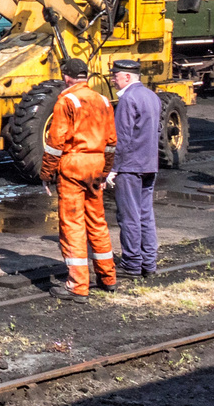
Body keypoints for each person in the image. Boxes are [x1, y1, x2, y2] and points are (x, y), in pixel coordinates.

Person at [40, 58, 118, 302]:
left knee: (72, 224)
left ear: (66, 76)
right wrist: (104, 172)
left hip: (74, 166)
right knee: (97, 221)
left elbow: (55, 143)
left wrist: (46, 173)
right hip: (96, 167)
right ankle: (108, 278)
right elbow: (111, 142)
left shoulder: (67, 101)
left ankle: (77, 286)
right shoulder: (104, 100)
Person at [105, 59, 160, 277]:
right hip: (150, 164)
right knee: (146, 214)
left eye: (115, 76)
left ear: (127, 77)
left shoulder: (128, 99)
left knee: (129, 217)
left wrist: (113, 168)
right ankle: (149, 263)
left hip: (129, 167)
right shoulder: (152, 97)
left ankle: (131, 263)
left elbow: (123, 138)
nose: (112, 79)